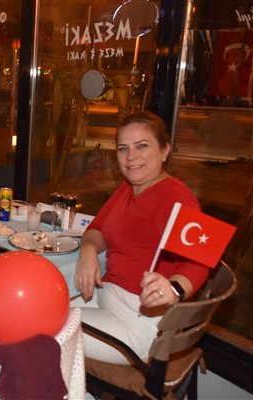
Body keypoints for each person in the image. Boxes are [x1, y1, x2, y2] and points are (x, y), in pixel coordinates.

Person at [73, 111, 209, 364]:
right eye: (123, 148)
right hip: (107, 298)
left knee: (42, 325)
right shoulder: (130, 186)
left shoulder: (174, 197)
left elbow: (199, 260)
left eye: (142, 146)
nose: (130, 156)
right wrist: (88, 250)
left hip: (140, 322)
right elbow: (97, 227)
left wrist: (174, 288)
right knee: (38, 306)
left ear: (164, 150)